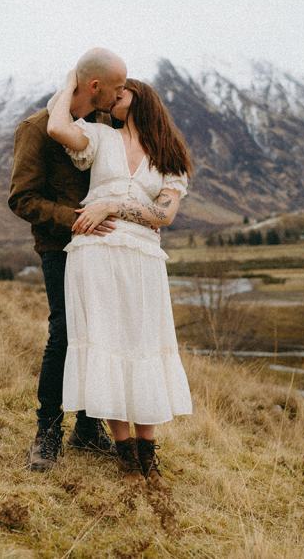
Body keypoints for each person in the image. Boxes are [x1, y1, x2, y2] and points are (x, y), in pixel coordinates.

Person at [47, 70, 194, 487]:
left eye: (122, 89)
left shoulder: (169, 157)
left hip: (144, 258)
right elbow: (57, 125)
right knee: (108, 342)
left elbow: (164, 215)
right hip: (95, 253)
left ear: (141, 97)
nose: (114, 94)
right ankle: (126, 455)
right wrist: (75, 79)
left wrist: (111, 203)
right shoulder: (98, 136)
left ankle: (149, 454)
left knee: (144, 343)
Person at [8, 47, 128, 471]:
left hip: (101, 251)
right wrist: (77, 221)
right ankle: (47, 432)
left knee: (100, 334)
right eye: (115, 89)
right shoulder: (37, 129)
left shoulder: (99, 128)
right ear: (94, 86)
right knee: (63, 333)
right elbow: (21, 198)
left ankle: (88, 427)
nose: (120, 96)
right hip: (59, 248)